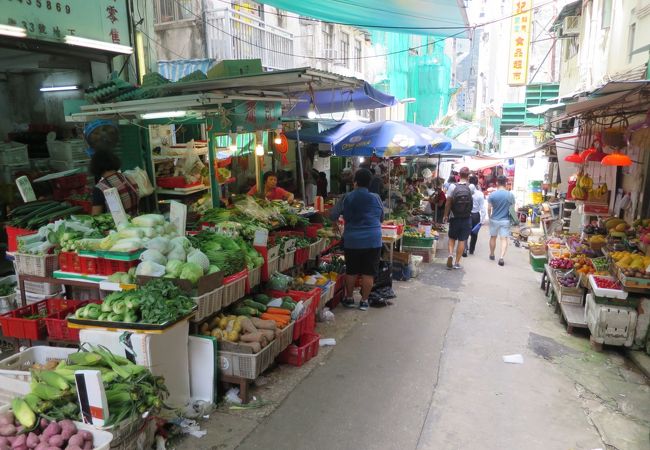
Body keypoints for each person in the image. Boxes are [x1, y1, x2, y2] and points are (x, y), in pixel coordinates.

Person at [329, 168, 384, 311]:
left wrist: (335, 224)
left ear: (355, 182)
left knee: (352, 271)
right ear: (369, 183)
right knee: (368, 272)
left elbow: (333, 214)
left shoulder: (347, 197)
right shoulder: (376, 198)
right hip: (373, 239)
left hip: (353, 239)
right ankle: (364, 302)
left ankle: (349, 298)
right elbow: (382, 218)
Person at [90, 149, 139, 216]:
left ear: (96, 166)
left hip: (117, 226)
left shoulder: (100, 188)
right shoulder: (129, 177)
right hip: (136, 223)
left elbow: (95, 217)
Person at [443, 167, 473, 269]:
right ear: (468, 175)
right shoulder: (471, 187)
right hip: (466, 217)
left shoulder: (452, 187)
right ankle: (456, 263)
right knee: (462, 240)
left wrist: (445, 215)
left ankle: (451, 254)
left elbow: (448, 203)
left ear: (459, 175)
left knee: (452, 238)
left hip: (454, 217)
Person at [488, 175, 515, 266]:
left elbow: (489, 208)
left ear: (497, 183)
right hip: (505, 220)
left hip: (494, 219)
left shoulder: (492, 195)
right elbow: (512, 208)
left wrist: (489, 216)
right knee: (504, 239)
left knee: (493, 237)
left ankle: (492, 254)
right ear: (506, 183)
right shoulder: (510, 195)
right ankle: (501, 257)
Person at [465, 175, 486, 256]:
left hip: (467, 214)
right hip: (476, 215)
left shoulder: (466, 192)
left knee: (465, 232)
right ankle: (471, 250)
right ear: (477, 183)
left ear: (469, 182)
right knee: (474, 233)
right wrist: (482, 220)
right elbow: (482, 208)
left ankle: (465, 248)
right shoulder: (480, 194)